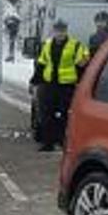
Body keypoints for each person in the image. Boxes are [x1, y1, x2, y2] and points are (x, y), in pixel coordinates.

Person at [31, 19, 87, 152]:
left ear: (66, 31)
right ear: (54, 31)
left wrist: (80, 81)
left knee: (65, 115)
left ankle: (62, 141)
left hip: (67, 86)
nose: (59, 33)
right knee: (46, 114)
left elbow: (82, 64)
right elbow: (42, 63)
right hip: (49, 85)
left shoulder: (76, 45)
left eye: (62, 30)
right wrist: (35, 80)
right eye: (57, 30)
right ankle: (48, 143)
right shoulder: (47, 45)